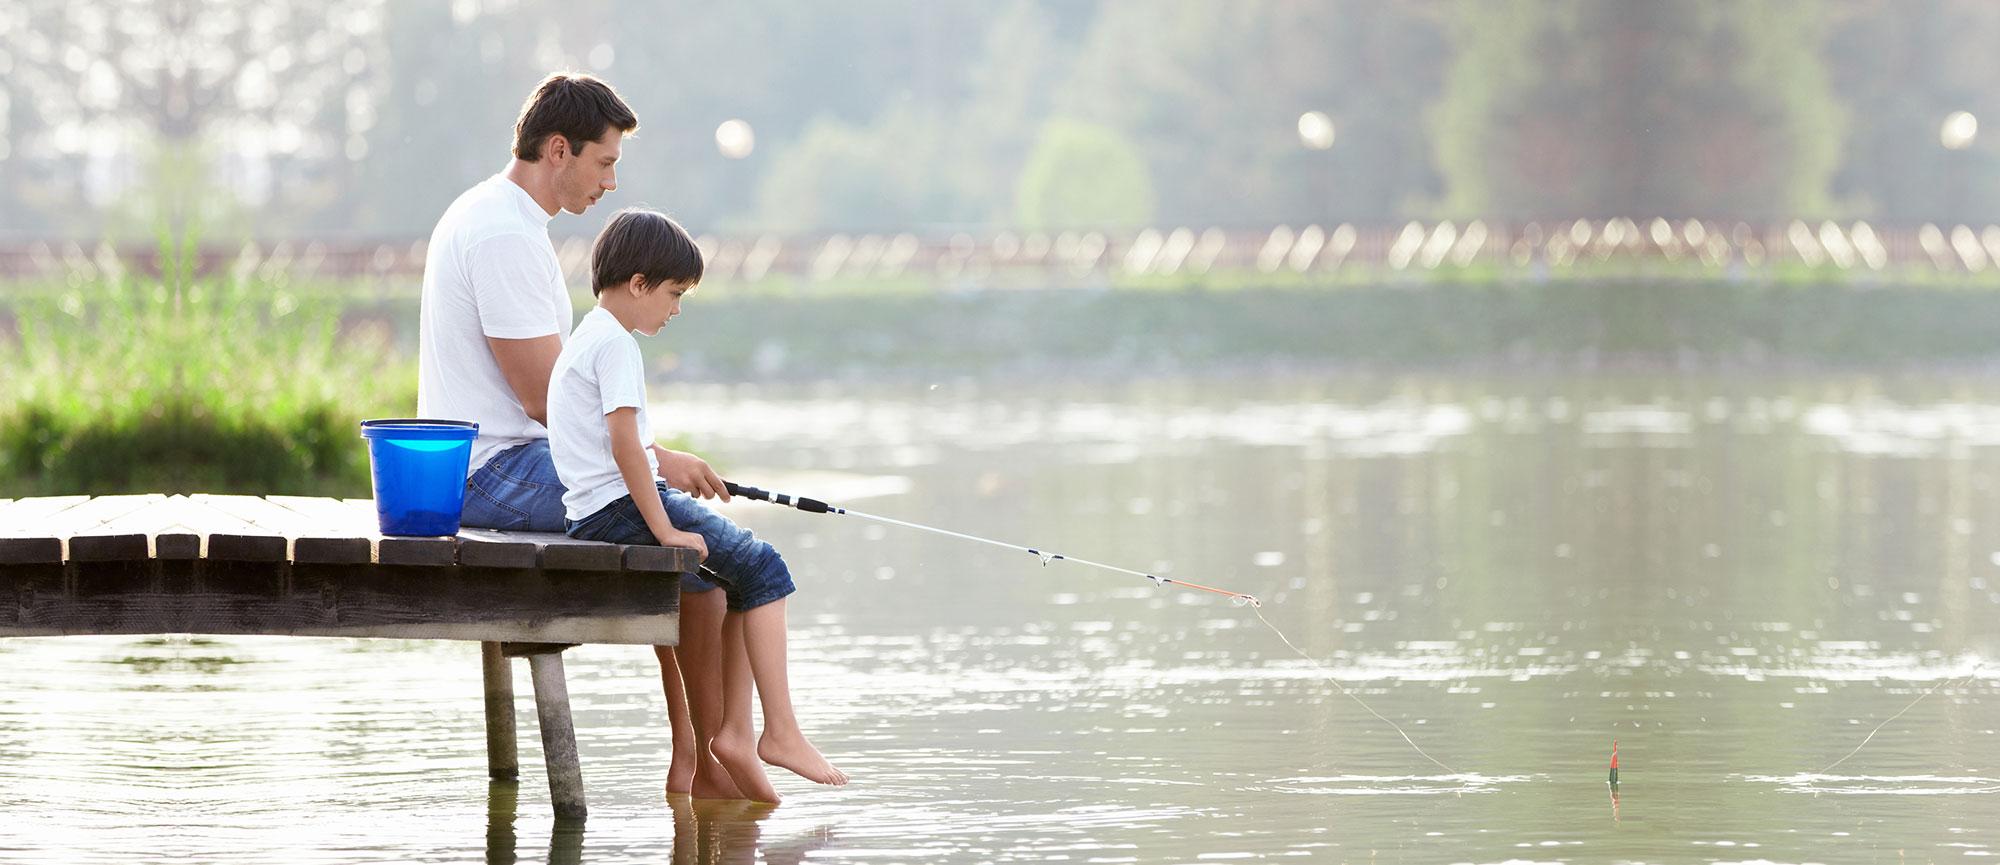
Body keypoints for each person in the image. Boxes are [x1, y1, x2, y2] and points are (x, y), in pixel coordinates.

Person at [416, 72, 743, 799]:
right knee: (696, 544)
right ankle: (702, 760)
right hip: (492, 472)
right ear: (557, 149)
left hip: (502, 460)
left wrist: (653, 464)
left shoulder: (497, 216)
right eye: (604, 162)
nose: (611, 182)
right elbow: (544, 399)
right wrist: (655, 461)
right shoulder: (503, 233)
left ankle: (696, 753)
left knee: (678, 530)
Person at [550, 208, 847, 802]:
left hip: (594, 511)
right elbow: (626, 447)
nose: (676, 308)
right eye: (673, 294)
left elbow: (621, 448)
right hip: (623, 510)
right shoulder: (616, 347)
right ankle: (778, 731)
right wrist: (663, 528)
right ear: (638, 284)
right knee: (766, 568)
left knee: (740, 579)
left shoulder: (589, 336)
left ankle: (736, 736)